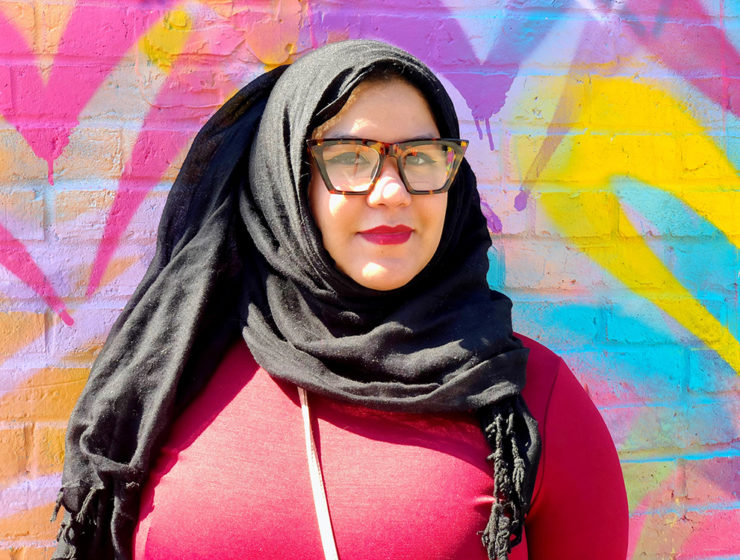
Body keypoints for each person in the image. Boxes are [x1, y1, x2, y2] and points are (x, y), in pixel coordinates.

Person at [52, 40, 628, 560]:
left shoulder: (529, 402)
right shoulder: (170, 379)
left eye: (421, 156)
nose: (393, 191)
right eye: (351, 156)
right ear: (289, 180)